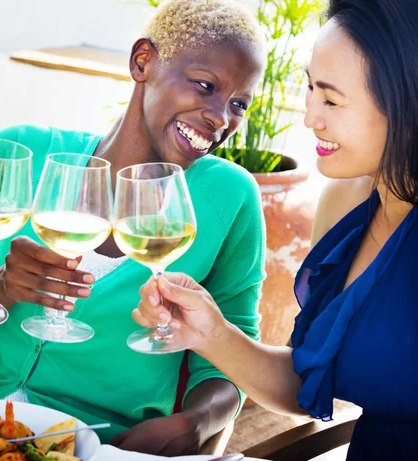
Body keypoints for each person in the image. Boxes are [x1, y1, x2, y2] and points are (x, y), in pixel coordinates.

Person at [0, 0, 268, 455]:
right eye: (205, 85)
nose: (220, 117)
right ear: (144, 61)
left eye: (238, 103)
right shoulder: (19, 153)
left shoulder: (228, 197)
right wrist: (1, 288)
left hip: (95, 443)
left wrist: (196, 422)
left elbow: (232, 348)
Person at [133, 0, 418, 459]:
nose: (310, 117)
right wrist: (213, 333)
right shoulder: (346, 204)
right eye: (309, 89)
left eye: (332, 98)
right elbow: (307, 383)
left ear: (406, 104)